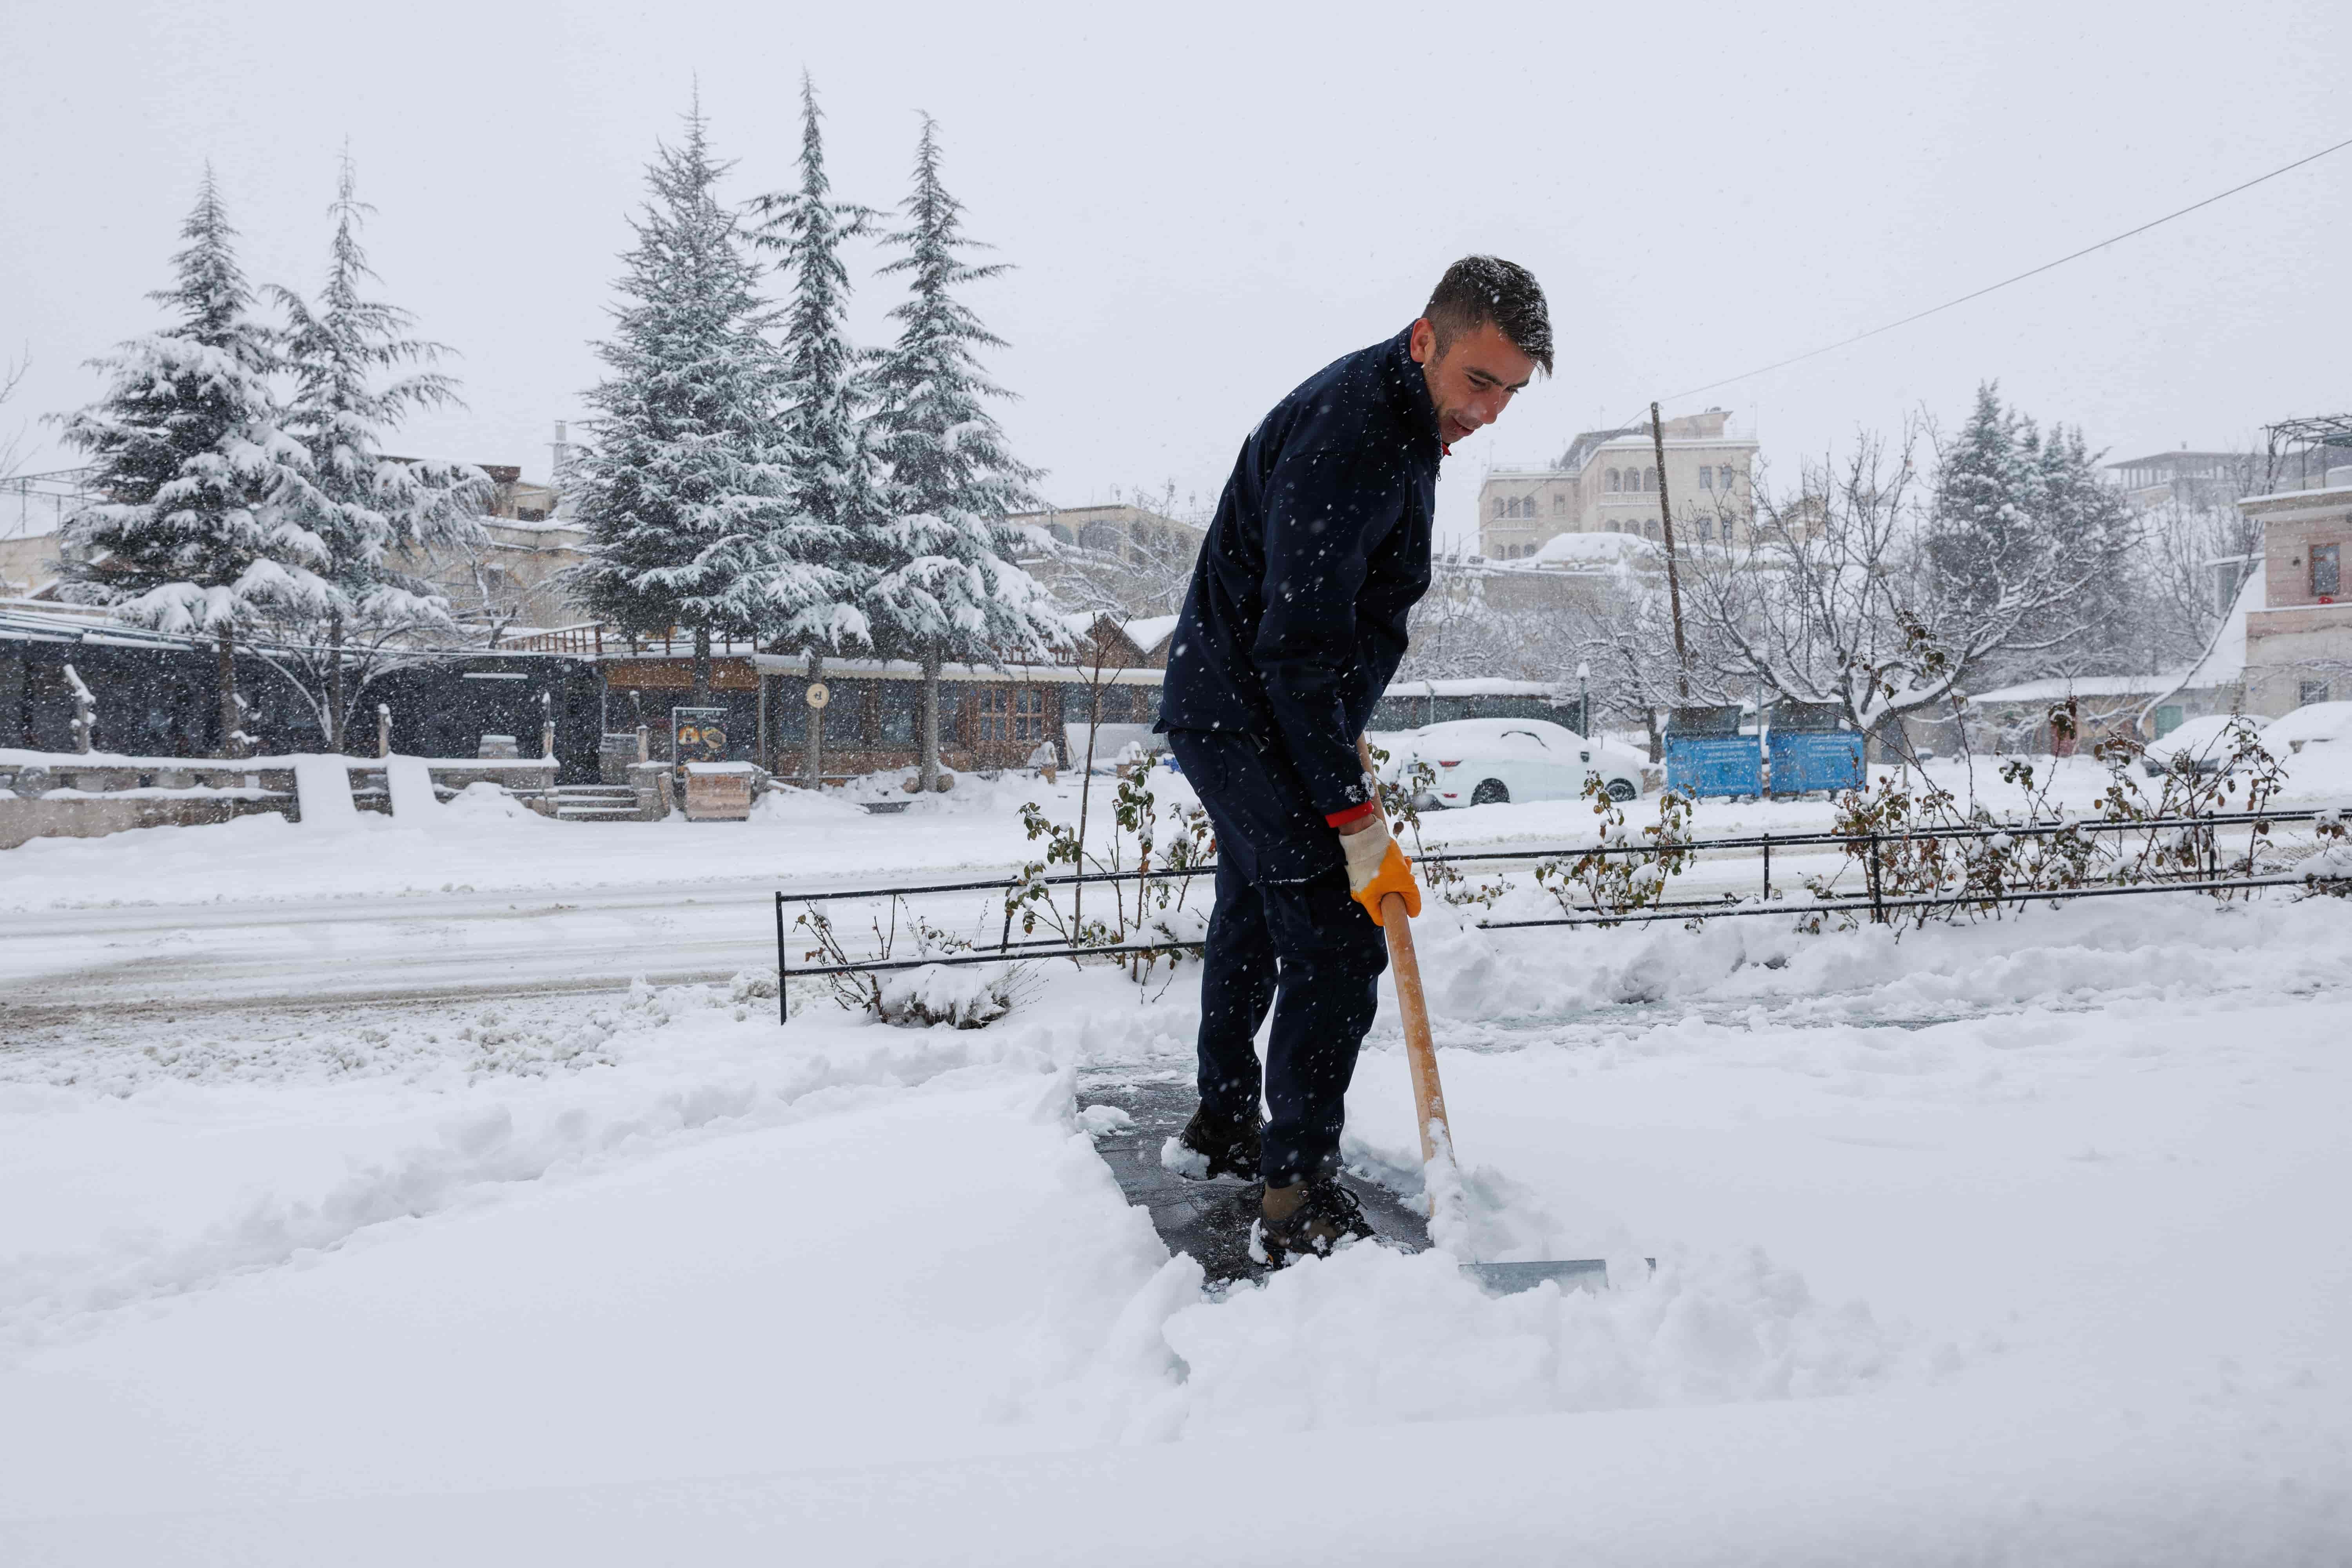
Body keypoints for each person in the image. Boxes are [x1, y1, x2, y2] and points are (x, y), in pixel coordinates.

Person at [1155, 256, 1552, 1263]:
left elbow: (1330, 632)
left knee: (1256, 900)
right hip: (1246, 710)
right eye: (1480, 381)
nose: (1492, 412)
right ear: (1426, 337)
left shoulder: (1401, 422)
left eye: (1511, 390)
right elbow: (1297, 647)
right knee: (1335, 928)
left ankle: (1225, 1120)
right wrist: (1353, 816)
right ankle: (1296, 1193)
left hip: (1260, 704)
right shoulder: (1355, 437)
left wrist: (1336, 749)